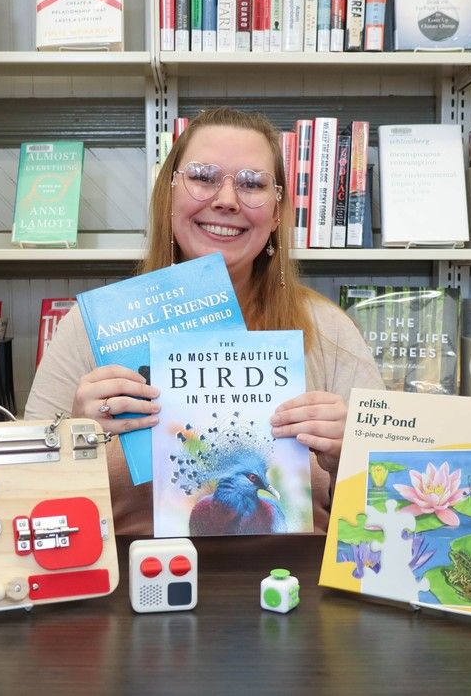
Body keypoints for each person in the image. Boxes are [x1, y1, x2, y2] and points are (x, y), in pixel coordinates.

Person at [25, 107, 383, 534]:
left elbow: (387, 512)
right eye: (202, 177)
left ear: (276, 213)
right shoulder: (92, 327)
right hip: (130, 574)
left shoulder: (329, 331)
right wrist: (75, 439)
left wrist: (350, 457)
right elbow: (26, 494)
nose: (227, 200)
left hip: (293, 575)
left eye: (252, 184)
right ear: (169, 196)